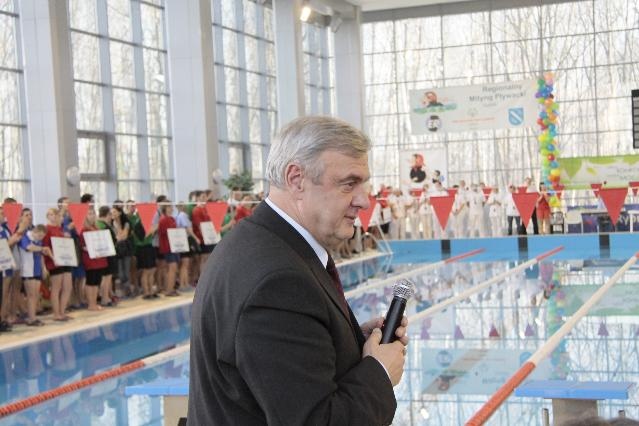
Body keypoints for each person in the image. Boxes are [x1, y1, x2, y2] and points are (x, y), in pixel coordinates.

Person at [188, 116, 408, 425]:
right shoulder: (278, 283)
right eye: (349, 184)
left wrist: (348, 341)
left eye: (364, 185)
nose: (364, 201)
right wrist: (380, 372)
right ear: (296, 179)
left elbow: (280, 370)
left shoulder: (256, 241)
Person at [43, 208, 73, 321]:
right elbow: (45, 247)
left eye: (55, 214)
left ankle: (62, 312)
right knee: (56, 288)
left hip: (65, 260)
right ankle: (56, 314)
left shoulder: (60, 229)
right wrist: (52, 258)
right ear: (47, 216)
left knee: (68, 287)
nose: (54, 217)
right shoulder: (46, 229)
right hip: (54, 261)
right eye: (51, 214)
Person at [19, 224, 51, 326]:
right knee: (31, 295)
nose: (40, 238)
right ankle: (31, 318)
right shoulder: (25, 237)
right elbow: (29, 247)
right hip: (28, 270)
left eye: (42, 237)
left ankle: (33, 317)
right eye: (39, 236)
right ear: (35, 231)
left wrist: (43, 268)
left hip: (36, 270)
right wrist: (41, 248)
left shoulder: (38, 241)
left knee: (36, 295)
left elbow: (40, 255)